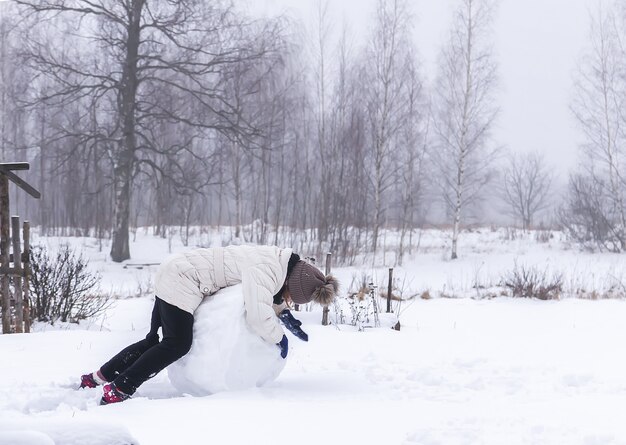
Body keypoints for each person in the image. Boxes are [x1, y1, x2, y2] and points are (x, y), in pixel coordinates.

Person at [79, 245, 339, 405]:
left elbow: (267, 293)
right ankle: (121, 388)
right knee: (177, 344)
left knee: (154, 342)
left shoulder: (278, 262)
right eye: (292, 298)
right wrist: (278, 337)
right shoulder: (268, 271)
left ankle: (98, 378)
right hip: (184, 279)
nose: (290, 301)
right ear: (292, 285)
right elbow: (258, 315)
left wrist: (281, 311)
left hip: (177, 269)